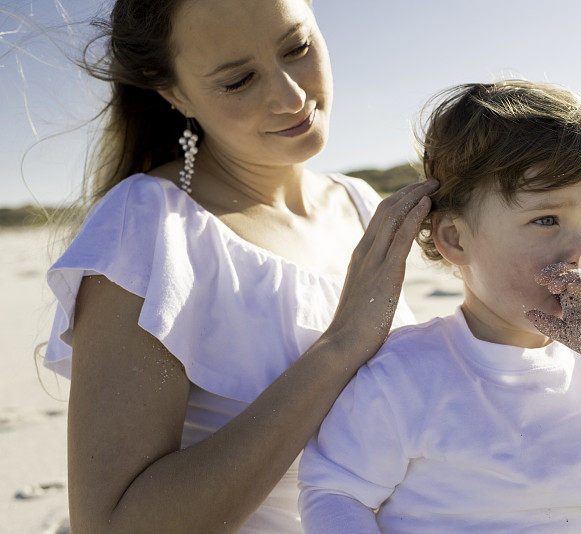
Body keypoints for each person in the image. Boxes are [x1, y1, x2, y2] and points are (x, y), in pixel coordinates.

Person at [38, 0, 439, 531]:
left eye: (297, 48)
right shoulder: (152, 226)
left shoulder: (361, 203)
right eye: (238, 80)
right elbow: (113, 524)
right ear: (173, 91)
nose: (292, 96)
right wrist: (339, 346)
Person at [298, 81, 581, 533]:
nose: (580, 250)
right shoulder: (406, 372)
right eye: (546, 219)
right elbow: (336, 491)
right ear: (456, 239)